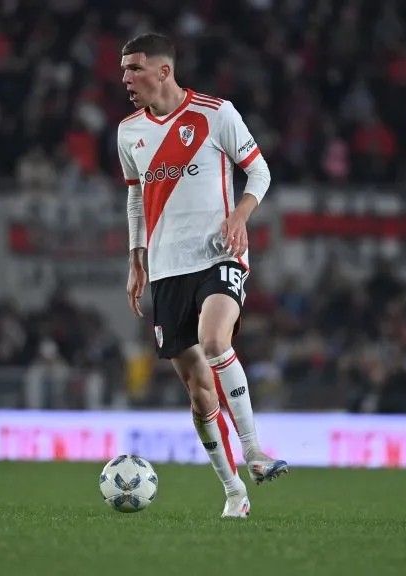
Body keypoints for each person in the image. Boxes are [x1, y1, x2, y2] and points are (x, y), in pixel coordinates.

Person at [116, 32, 288, 517]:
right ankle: (234, 490)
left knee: (215, 341)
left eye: (135, 68)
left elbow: (260, 172)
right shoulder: (129, 132)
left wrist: (241, 216)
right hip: (166, 268)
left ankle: (254, 449)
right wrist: (136, 257)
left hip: (218, 254)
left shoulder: (216, 113)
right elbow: (135, 197)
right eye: (124, 70)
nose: (126, 79)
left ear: (164, 70)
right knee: (197, 392)